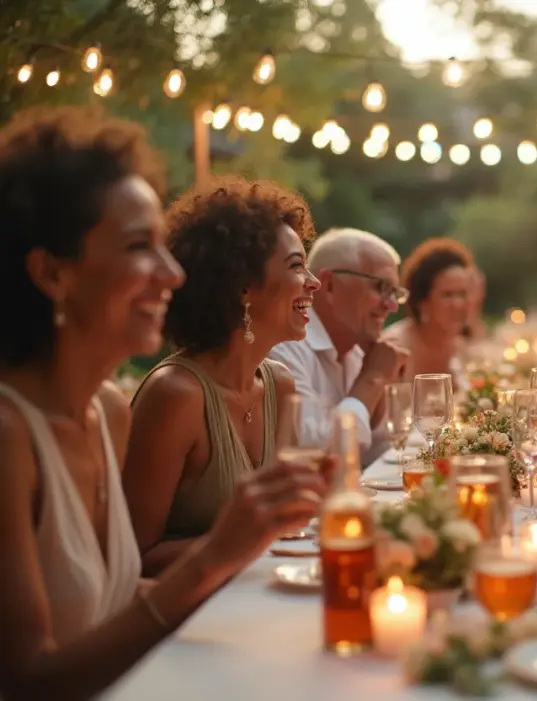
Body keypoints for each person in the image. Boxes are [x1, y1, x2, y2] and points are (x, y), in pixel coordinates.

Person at [0, 106, 324, 700]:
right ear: (53, 273)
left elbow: (115, 603)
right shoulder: (10, 437)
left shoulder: (105, 413)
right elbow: (26, 683)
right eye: (138, 247)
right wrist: (217, 555)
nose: (172, 273)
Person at [123, 176, 321, 576]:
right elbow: (131, 562)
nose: (314, 282)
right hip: (186, 623)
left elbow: (286, 525)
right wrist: (241, 539)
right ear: (244, 287)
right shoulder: (176, 395)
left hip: (258, 597)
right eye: (297, 266)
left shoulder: (280, 385)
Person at [269, 228, 408, 466]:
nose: (391, 305)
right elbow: (316, 458)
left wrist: (382, 397)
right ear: (329, 285)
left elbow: (382, 454)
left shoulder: (358, 350)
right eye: (381, 288)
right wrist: (371, 379)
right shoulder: (284, 347)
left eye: (395, 293)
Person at [381, 237, 472, 386]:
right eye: (447, 295)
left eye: (462, 294)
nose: (458, 304)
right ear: (423, 302)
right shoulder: (395, 346)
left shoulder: (460, 347)